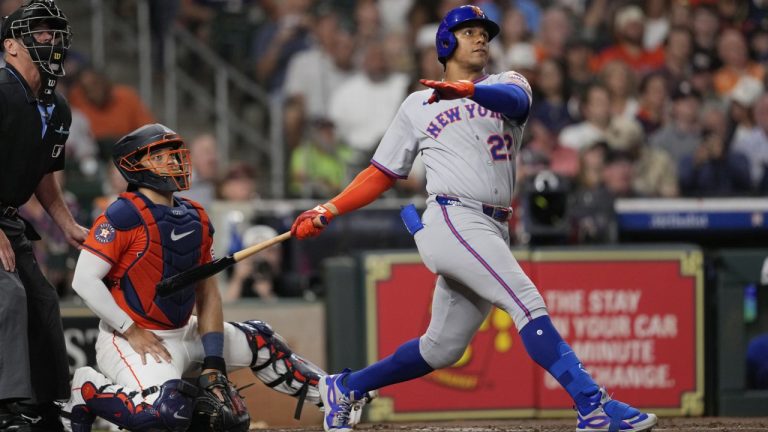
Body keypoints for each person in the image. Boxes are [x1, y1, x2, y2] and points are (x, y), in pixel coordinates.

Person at [290, 6, 658, 432]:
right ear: (445, 43)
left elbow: (517, 102)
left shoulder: (507, 82)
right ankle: (592, 405)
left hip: (493, 225)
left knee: (441, 348)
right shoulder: (417, 104)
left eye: (484, 32)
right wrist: (328, 208)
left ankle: (346, 387)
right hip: (453, 217)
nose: (481, 38)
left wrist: (467, 90)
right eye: (469, 32)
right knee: (526, 302)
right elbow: (381, 173)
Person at [58, 124, 334, 432]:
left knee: (261, 340)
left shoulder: (197, 215)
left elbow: (208, 293)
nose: (175, 162)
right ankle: (86, 390)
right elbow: (83, 281)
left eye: (175, 154)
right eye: (161, 157)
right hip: (131, 339)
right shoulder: (123, 214)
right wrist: (130, 330)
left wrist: (214, 361)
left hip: (185, 331)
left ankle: (332, 395)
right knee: (164, 414)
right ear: (134, 166)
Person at [0, 1, 89, 430]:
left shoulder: (57, 107)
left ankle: (46, 405)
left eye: (53, 32)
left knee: (42, 300)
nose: (49, 40)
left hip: (8, 217)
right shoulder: (0, 90)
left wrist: (67, 223)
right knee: (8, 295)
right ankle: (9, 408)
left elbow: (45, 175)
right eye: (38, 32)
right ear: (10, 46)